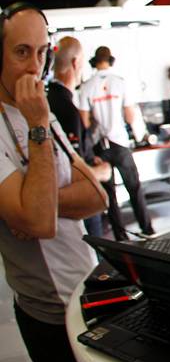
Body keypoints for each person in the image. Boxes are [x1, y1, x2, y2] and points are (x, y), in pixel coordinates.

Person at [0, 3, 113, 362]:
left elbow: (96, 196)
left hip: (87, 293)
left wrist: (38, 203)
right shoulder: (37, 118)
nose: (35, 66)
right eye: (21, 52)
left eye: (42, 52)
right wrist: (37, 127)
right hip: (49, 315)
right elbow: (41, 223)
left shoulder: (42, 113)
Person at [79, 45, 154, 239]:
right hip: (119, 143)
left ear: (94, 62)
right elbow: (130, 116)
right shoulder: (120, 83)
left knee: (110, 195)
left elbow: (84, 122)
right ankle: (147, 229)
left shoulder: (87, 86)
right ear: (110, 60)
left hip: (100, 145)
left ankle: (121, 237)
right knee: (134, 188)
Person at [46, 36, 112, 237]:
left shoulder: (52, 99)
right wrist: (101, 172)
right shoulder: (65, 108)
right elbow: (70, 167)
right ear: (75, 63)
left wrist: (90, 156)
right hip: (80, 205)